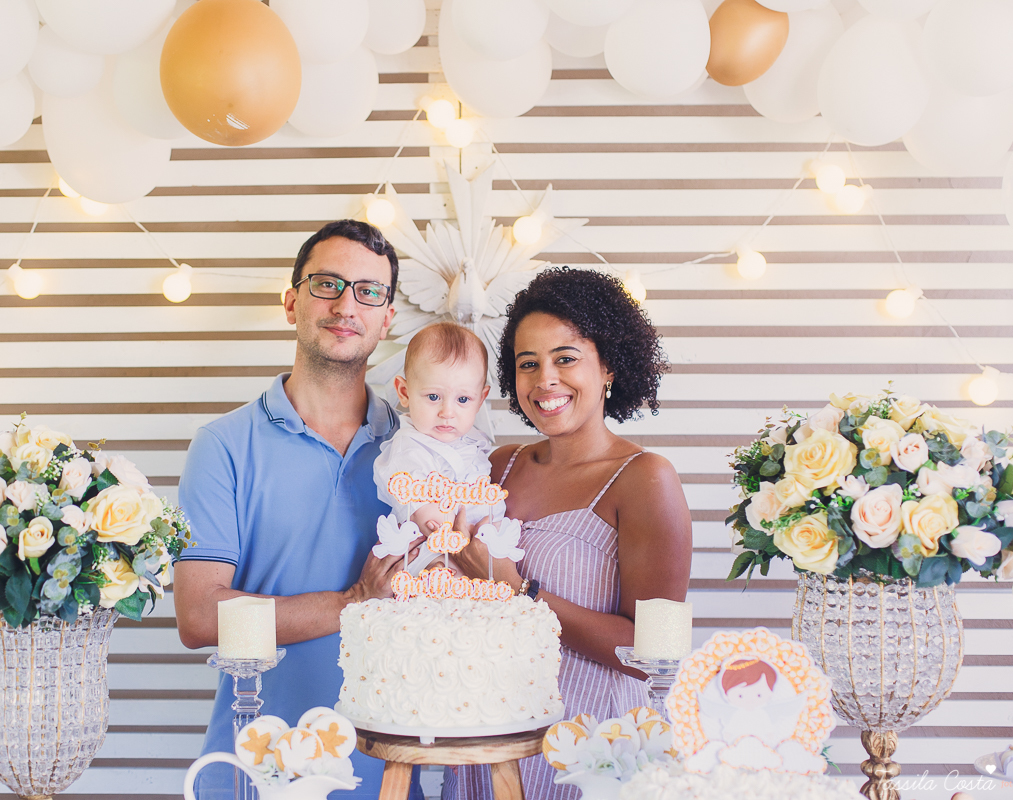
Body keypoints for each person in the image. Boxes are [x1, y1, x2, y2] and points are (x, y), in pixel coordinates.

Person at [174, 220, 423, 800]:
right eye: (327, 284)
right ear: (291, 302)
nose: (346, 304)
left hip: (384, 774)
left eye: (368, 291)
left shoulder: (415, 451)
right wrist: (353, 603)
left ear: (387, 319)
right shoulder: (222, 446)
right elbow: (199, 617)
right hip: (251, 771)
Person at [442, 267, 694, 800]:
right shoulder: (496, 467)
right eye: (527, 364)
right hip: (488, 736)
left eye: (566, 358)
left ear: (608, 366)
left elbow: (650, 652)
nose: (545, 380)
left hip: (590, 748)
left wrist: (519, 592)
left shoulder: (646, 479)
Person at [372, 322, 500, 572]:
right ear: (404, 392)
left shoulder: (473, 443)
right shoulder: (407, 451)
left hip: (479, 552)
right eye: (433, 397)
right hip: (428, 553)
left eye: (463, 399)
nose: (447, 413)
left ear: (480, 399)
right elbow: (430, 521)